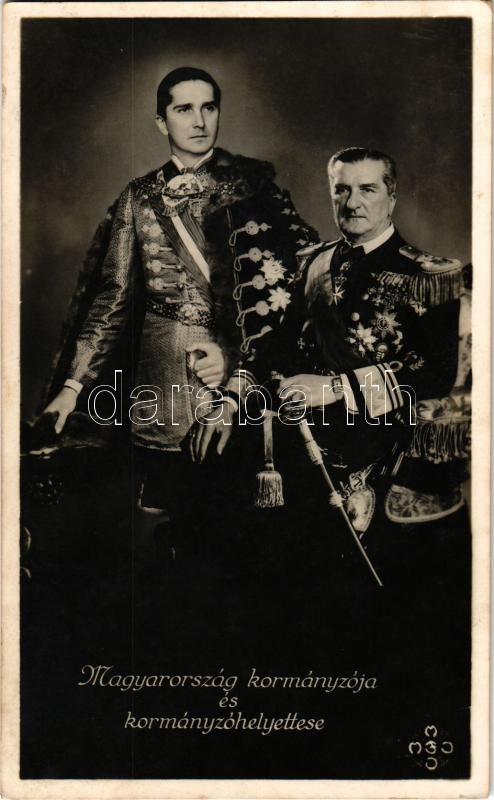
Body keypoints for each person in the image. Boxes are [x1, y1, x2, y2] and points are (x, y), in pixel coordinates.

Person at [41, 66, 318, 537]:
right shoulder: (139, 197)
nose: (199, 121)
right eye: (184, 109)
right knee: (170, 521)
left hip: (235, 374)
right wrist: (73, 385)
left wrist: (235, 361)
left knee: (234, 520)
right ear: (161, 121)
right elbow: (113, 299)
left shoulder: (256, 189)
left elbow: (291, 290)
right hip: (159, 379)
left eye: (208, 107)